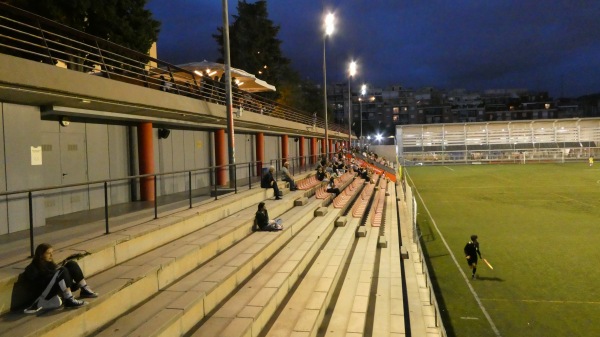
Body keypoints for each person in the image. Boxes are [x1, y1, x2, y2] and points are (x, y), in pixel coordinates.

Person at [23, 243, 98, 314]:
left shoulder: (50, 264)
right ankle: (69, 300)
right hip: (44, 294)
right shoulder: (32, 268)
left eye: (52, 253)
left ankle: (84, 289)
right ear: (41, 254)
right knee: (62, 270)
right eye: (48, 253)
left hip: (55, 289)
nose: (51, 255)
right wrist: (56, 275)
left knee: (71, 264)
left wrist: (70, 283)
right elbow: (37, 285)